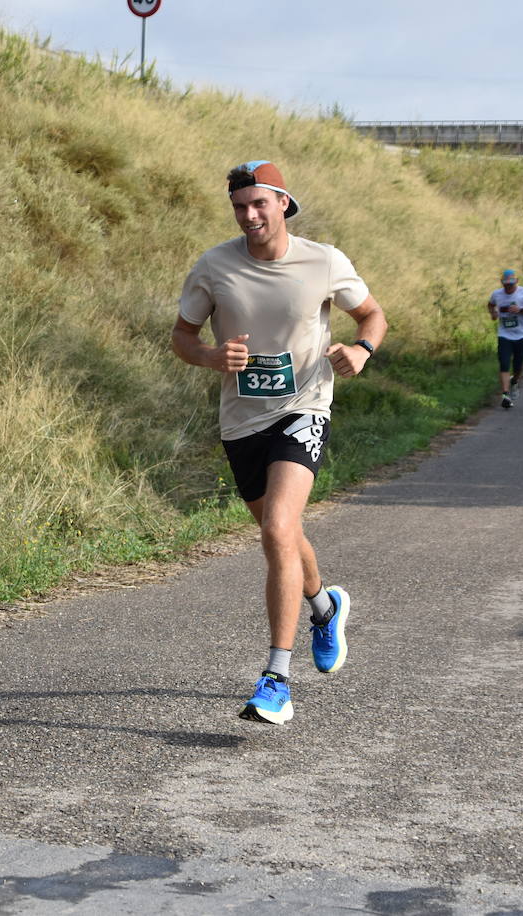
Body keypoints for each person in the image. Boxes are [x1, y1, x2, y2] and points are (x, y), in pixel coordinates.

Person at [171, 159, 387, 725]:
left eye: (259, 204)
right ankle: (326, 606)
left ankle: (276, 679)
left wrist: (362, 349)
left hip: (305, 407)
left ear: (283, 203)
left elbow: (371, 315)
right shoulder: (214, 266)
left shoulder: (324, 261)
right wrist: (212, 357)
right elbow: (183, 337)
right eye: (240, 206)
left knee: (277, 531)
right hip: (242, 420)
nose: (249, 215)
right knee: (282, 533)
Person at [487, 269, 523, 408]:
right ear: (502, 283)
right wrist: (493, 313)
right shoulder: (497, 294)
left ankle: (514, 381)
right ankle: (505, 395)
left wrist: (521, 310)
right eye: (506, 284)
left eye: (511, 284)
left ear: (517, 281)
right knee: (504, 363)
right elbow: (490, 305)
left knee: (518, 366)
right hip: (504, 335)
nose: (508, 287)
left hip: (521, 335)